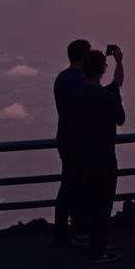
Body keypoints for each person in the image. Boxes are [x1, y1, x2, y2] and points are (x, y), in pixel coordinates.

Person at [72, 46, 126, 263]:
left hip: (83, 157)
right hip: (104, 157)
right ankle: (99, 248)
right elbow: (121, 118)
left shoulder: (76, 97)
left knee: (89, 202)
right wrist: (120, 62)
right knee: (103, 204)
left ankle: (92, 243)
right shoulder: (108, 97)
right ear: (103, 69)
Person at [53, 38, 91, 244]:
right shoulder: (80, 80)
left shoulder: (61, 78)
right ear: (84, 56)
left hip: (65, 137)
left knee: (68, 183)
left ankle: (62, 228)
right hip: (79, 140)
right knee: (77, 185)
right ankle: (77, 228)